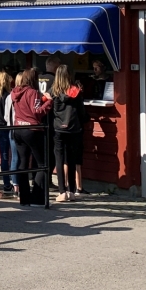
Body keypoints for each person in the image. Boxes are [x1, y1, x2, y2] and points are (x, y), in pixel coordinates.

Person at [12, 69, 52, 207]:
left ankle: (24, 198)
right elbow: (37, 112)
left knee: (22, 164)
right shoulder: (33, 92)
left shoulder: (15, 92)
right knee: (43, 164)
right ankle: (37, 198)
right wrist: (49, 102)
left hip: (18, 128)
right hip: (32, 129)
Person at [51, 65, 88, 202]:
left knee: (59, 159)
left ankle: (62, 191)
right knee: (71, 159)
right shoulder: (76, 90)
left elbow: (48, 108)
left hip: (59, 128)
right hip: (74, 128)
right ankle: (72, 191)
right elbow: (81, 111)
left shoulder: (54, 90)